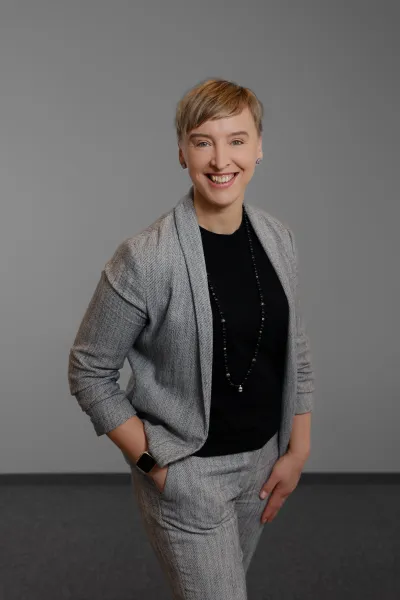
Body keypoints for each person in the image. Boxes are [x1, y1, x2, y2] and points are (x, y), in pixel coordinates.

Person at [68, 77, 315, 600]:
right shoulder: (145, 258)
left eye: (237, 140)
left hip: (262, 467)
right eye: (203, 141)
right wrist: (155, 467)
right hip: (187, 476)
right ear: (182, 152)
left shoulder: (279, 239)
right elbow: (89, 372)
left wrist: (298, 450)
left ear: (259, 146)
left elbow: (295, 349)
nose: (221, 159)